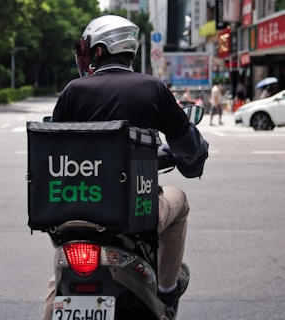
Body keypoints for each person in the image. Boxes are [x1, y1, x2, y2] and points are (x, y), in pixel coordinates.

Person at [42, 15, 209, 320]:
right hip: (135, 212)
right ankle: (168, 291)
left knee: (60, 279)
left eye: (87, 48)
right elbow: (187, 145)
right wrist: (193, 152)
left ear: (101, 50)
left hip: (75, 212)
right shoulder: (152, 88)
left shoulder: (73, 91)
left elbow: (55, 147)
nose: (85, 54)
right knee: (179, 201)